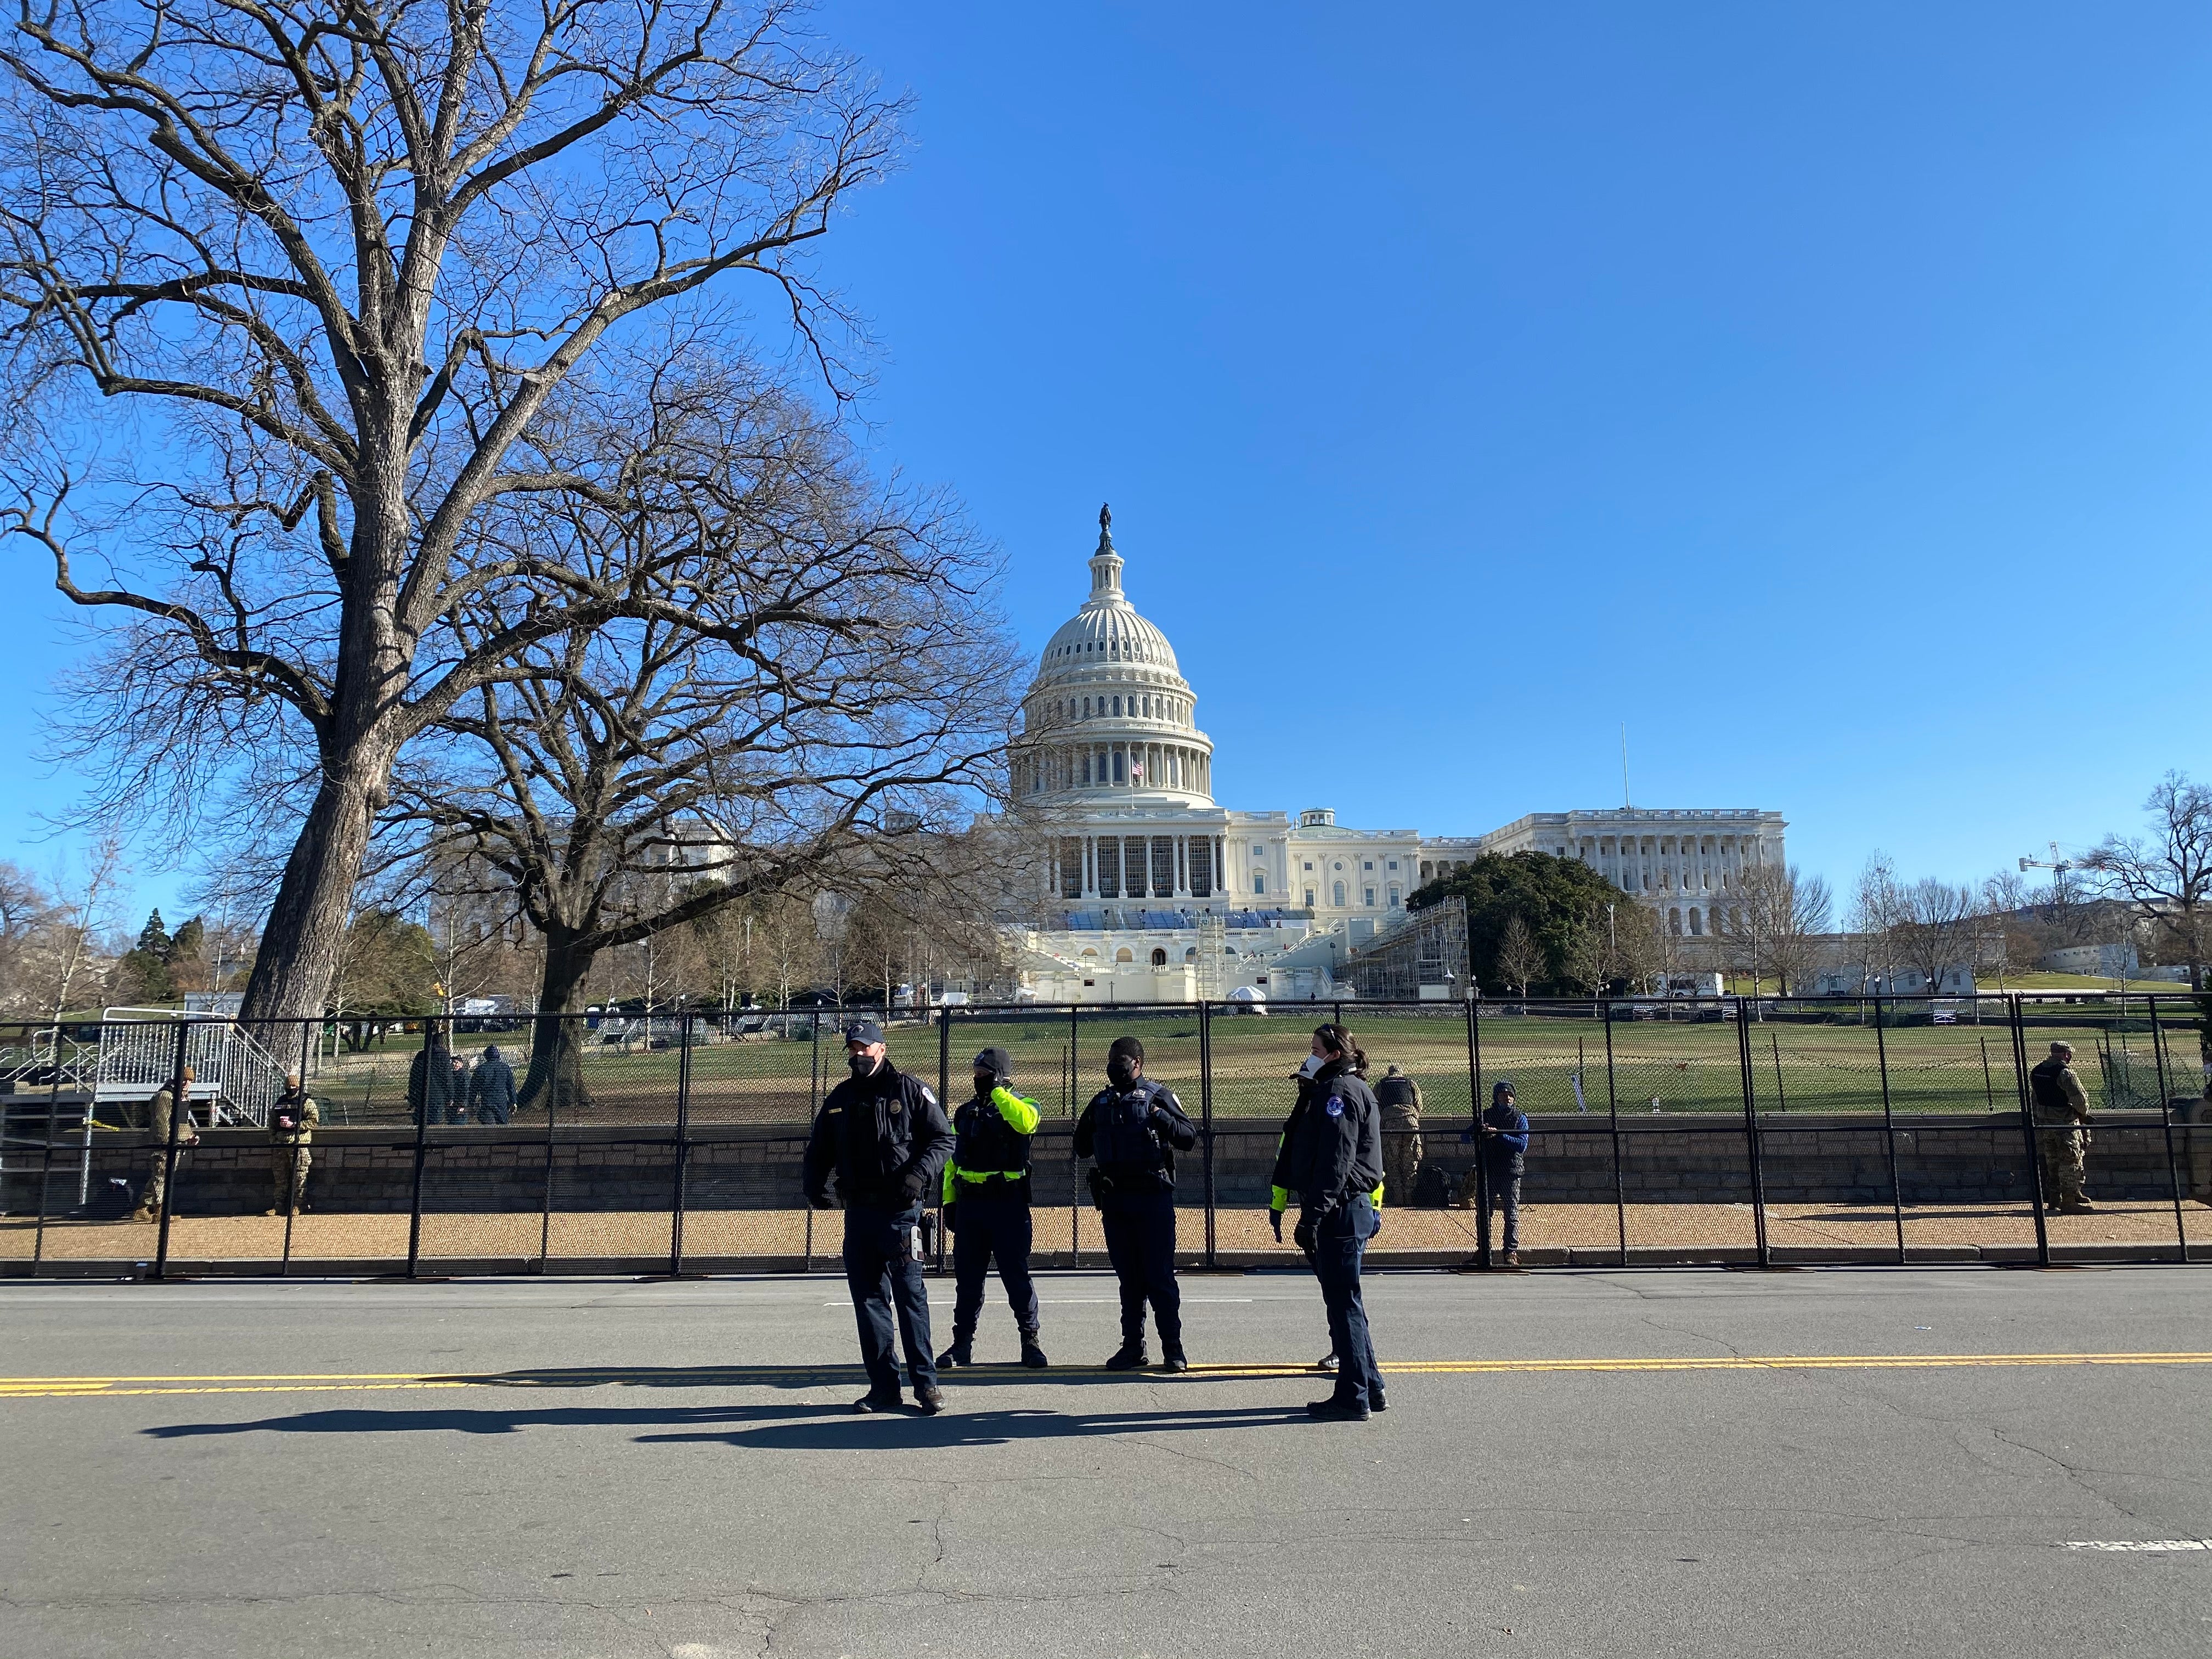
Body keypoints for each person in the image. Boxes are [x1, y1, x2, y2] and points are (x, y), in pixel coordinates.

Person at [803, 1020, 954, 1414]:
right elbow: (819, 1149)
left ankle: (926, 1386)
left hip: (902, 1215)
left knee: (910, 1300)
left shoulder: (909, 1090)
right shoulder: (840, 1099)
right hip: (860, 1216)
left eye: (864, 1048)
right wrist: (813, 1186)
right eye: (852, 1049)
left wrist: (919, 1174)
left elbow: (943, 1139)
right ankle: (884, 1388)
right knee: (869, 1302)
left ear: (881, 1049)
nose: (858, 1055)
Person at [1075, 1035, 1198, 1372]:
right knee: (1129, 1280)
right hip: (1116, 1200)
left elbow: (1188, 1138)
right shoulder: (1101, 1102)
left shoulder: (1158, 1096)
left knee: (1158, 1277)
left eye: (1122, 1062)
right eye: (1111, 1062)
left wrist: (1161, 1118)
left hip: (1152, 1198)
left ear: (1138, 1064)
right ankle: (1132, 1347)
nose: (1115, 1068)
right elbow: (1081, 1146)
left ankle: (1173, 1349)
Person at [1282, 1023, 1386, 1421]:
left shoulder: (1339, 1094)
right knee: (1351, 1304)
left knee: (1343, 1306)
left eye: (1315, 1049)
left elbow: (1335, 1163)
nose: (1310, 1055)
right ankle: (1371, 1386)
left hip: (1340, 1210)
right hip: (1350, 1208)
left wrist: (1311, 1217)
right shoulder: (1353, 1088)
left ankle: (1352, 1396)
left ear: (1333, 1054)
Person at [937, 1046, 1048, 1370]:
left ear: (999, 1075)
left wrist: (998, 1091)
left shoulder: (1023, 1105)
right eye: (977, 1074)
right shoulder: (964, 1113)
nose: (978, 1079)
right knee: (968, 1279)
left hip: (1008, 1204)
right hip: (972, 1203)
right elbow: (951, 1164)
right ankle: (961, 1346)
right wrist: (949, 1202)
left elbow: (1026, 1124)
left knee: (1016, 1275)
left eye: (984, 1074)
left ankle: (1030, 1342)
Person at [2028, 1039, 2096, 1212]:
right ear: (2067, 1055)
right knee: (2070, 1159)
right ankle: (2069, 1201)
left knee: (2053, 1161)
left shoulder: (2037, 1071)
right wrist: (2083, 1114)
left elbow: (2035, 1098)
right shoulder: (2065, 1073)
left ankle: (2055, 1198)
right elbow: (2079, 1098)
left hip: (2045, 1124)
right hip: (2065, 1124)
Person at [131, 1065, 198, 1223]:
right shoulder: (165, 1096)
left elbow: (181, 1122)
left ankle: (142, 1209)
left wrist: (190, 1136)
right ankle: (161, 1212)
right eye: (184, 1080)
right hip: (164, 1144)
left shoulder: (180, 1097)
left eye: (190, 1081)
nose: (186, 1084)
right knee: (162, 1176)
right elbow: (161, 1124)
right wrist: (168, 1143)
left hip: (176, 1142)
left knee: (160, 1176)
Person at [1478, 1080, 1530, 1265]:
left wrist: (1499, 1134)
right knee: (1485, 1212)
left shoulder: (1519, 1118)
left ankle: (1510, 1252)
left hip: (1511, 1171)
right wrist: (1480, 1131)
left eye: (1510, 1095)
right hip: (1489, 1171)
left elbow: (1522, 1145)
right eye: (1503, 1095)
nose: (1507, 1098)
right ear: (1496, 1097)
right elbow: (1466, 1137)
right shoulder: (1486, 1116)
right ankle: (1484, 1251)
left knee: (1511, 1213)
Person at [265, 1070, 319, 1217]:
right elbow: (272, 1123)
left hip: (298, 1144)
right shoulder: (280, 1102)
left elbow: (313, 1122)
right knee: (280, 1176)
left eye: (293, 1086)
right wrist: (274, 1140)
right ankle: (278, 1205)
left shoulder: (307, 1103)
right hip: (280, 1145)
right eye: (288, 1086)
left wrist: (294, 1125)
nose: (290, 1088)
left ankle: (299, 1204)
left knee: (300, 1175)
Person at [1376, 1063, 1424, 1205]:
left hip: (1391, 1124)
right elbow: (1419, 1106)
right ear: (1401, 1073)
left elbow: (1375, 1105)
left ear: (1389, 1073)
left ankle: (1398, 1199)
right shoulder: (1410, 1083)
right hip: (1411, 1122)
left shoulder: (1382, 1084)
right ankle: (1410, 1198)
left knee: (1392, 1161)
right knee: (1411, 1161)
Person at [407, 1028, 455, 1127]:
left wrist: (412, 1096)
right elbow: (447, 1078)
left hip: (421, 1093)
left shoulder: (421, 1055)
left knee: (419, 1121)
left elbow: (413, 1077)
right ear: (442, 1044)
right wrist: (450, 1096)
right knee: (434, 1122)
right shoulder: (444, 1056)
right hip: (438, 1095)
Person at [470, 1045, 517, 1125]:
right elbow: (511, 1087)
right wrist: (513, 1101)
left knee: (488, 1125)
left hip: (487, 1100)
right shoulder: (505, 1068)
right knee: (502, 1125)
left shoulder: (480, 1069)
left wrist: (471, 1103)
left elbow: (473, 1089)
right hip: (501, 1100)